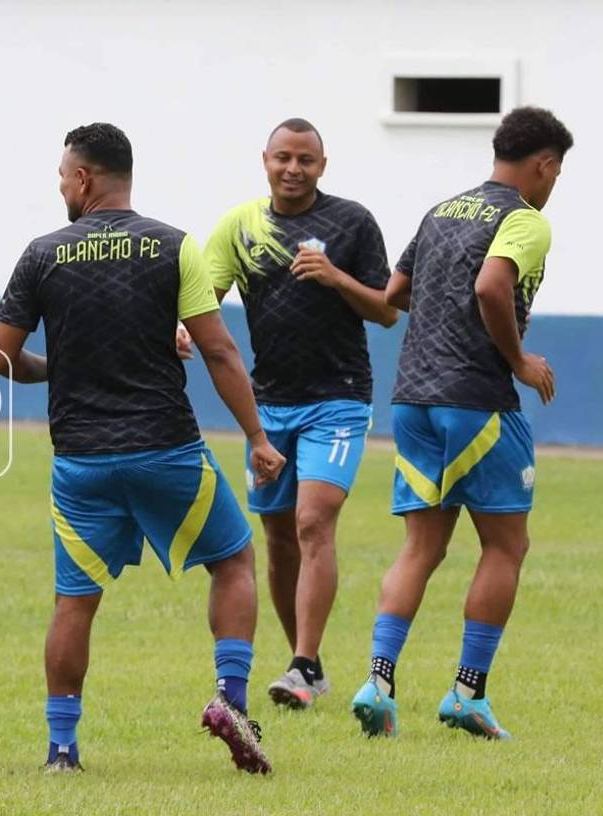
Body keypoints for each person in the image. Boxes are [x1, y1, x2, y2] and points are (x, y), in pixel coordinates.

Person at [0, 123, 286, 775]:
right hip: (166, 450)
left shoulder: (42, 253)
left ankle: (61, 749)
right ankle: (232, 701)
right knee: (234, 560)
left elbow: (0, 358)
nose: (61, 187)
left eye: (63, 176)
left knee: (75, 601)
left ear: (83, 177)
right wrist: (258, 439)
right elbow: (217, 349)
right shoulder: (173, 246)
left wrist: (60, 370)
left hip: (81, 462)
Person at [350, 106, 573, 741]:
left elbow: (395, 293)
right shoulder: (525, 220)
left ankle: (378, 683)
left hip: (412, 399)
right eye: (558, 173)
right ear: (545, 165)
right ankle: (467, 695)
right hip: (477, 401)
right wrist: (518, 360)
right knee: (505, 546)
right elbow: (491, 286)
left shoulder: (442, 211)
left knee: (421, 547)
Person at [203, 118, 397, 710]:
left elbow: (388, 310)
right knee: (280, 536)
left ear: (322, 165)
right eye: (283, 157)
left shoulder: (352, 222)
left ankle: (303, 662)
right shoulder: (240, 226)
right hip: (268, 406)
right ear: (265, 160)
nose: (293, 169)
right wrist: (183, 331)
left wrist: (336, 278)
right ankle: (305, 667)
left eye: (305, 160)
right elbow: (204, 299)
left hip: (338, 398)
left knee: (314, 521)